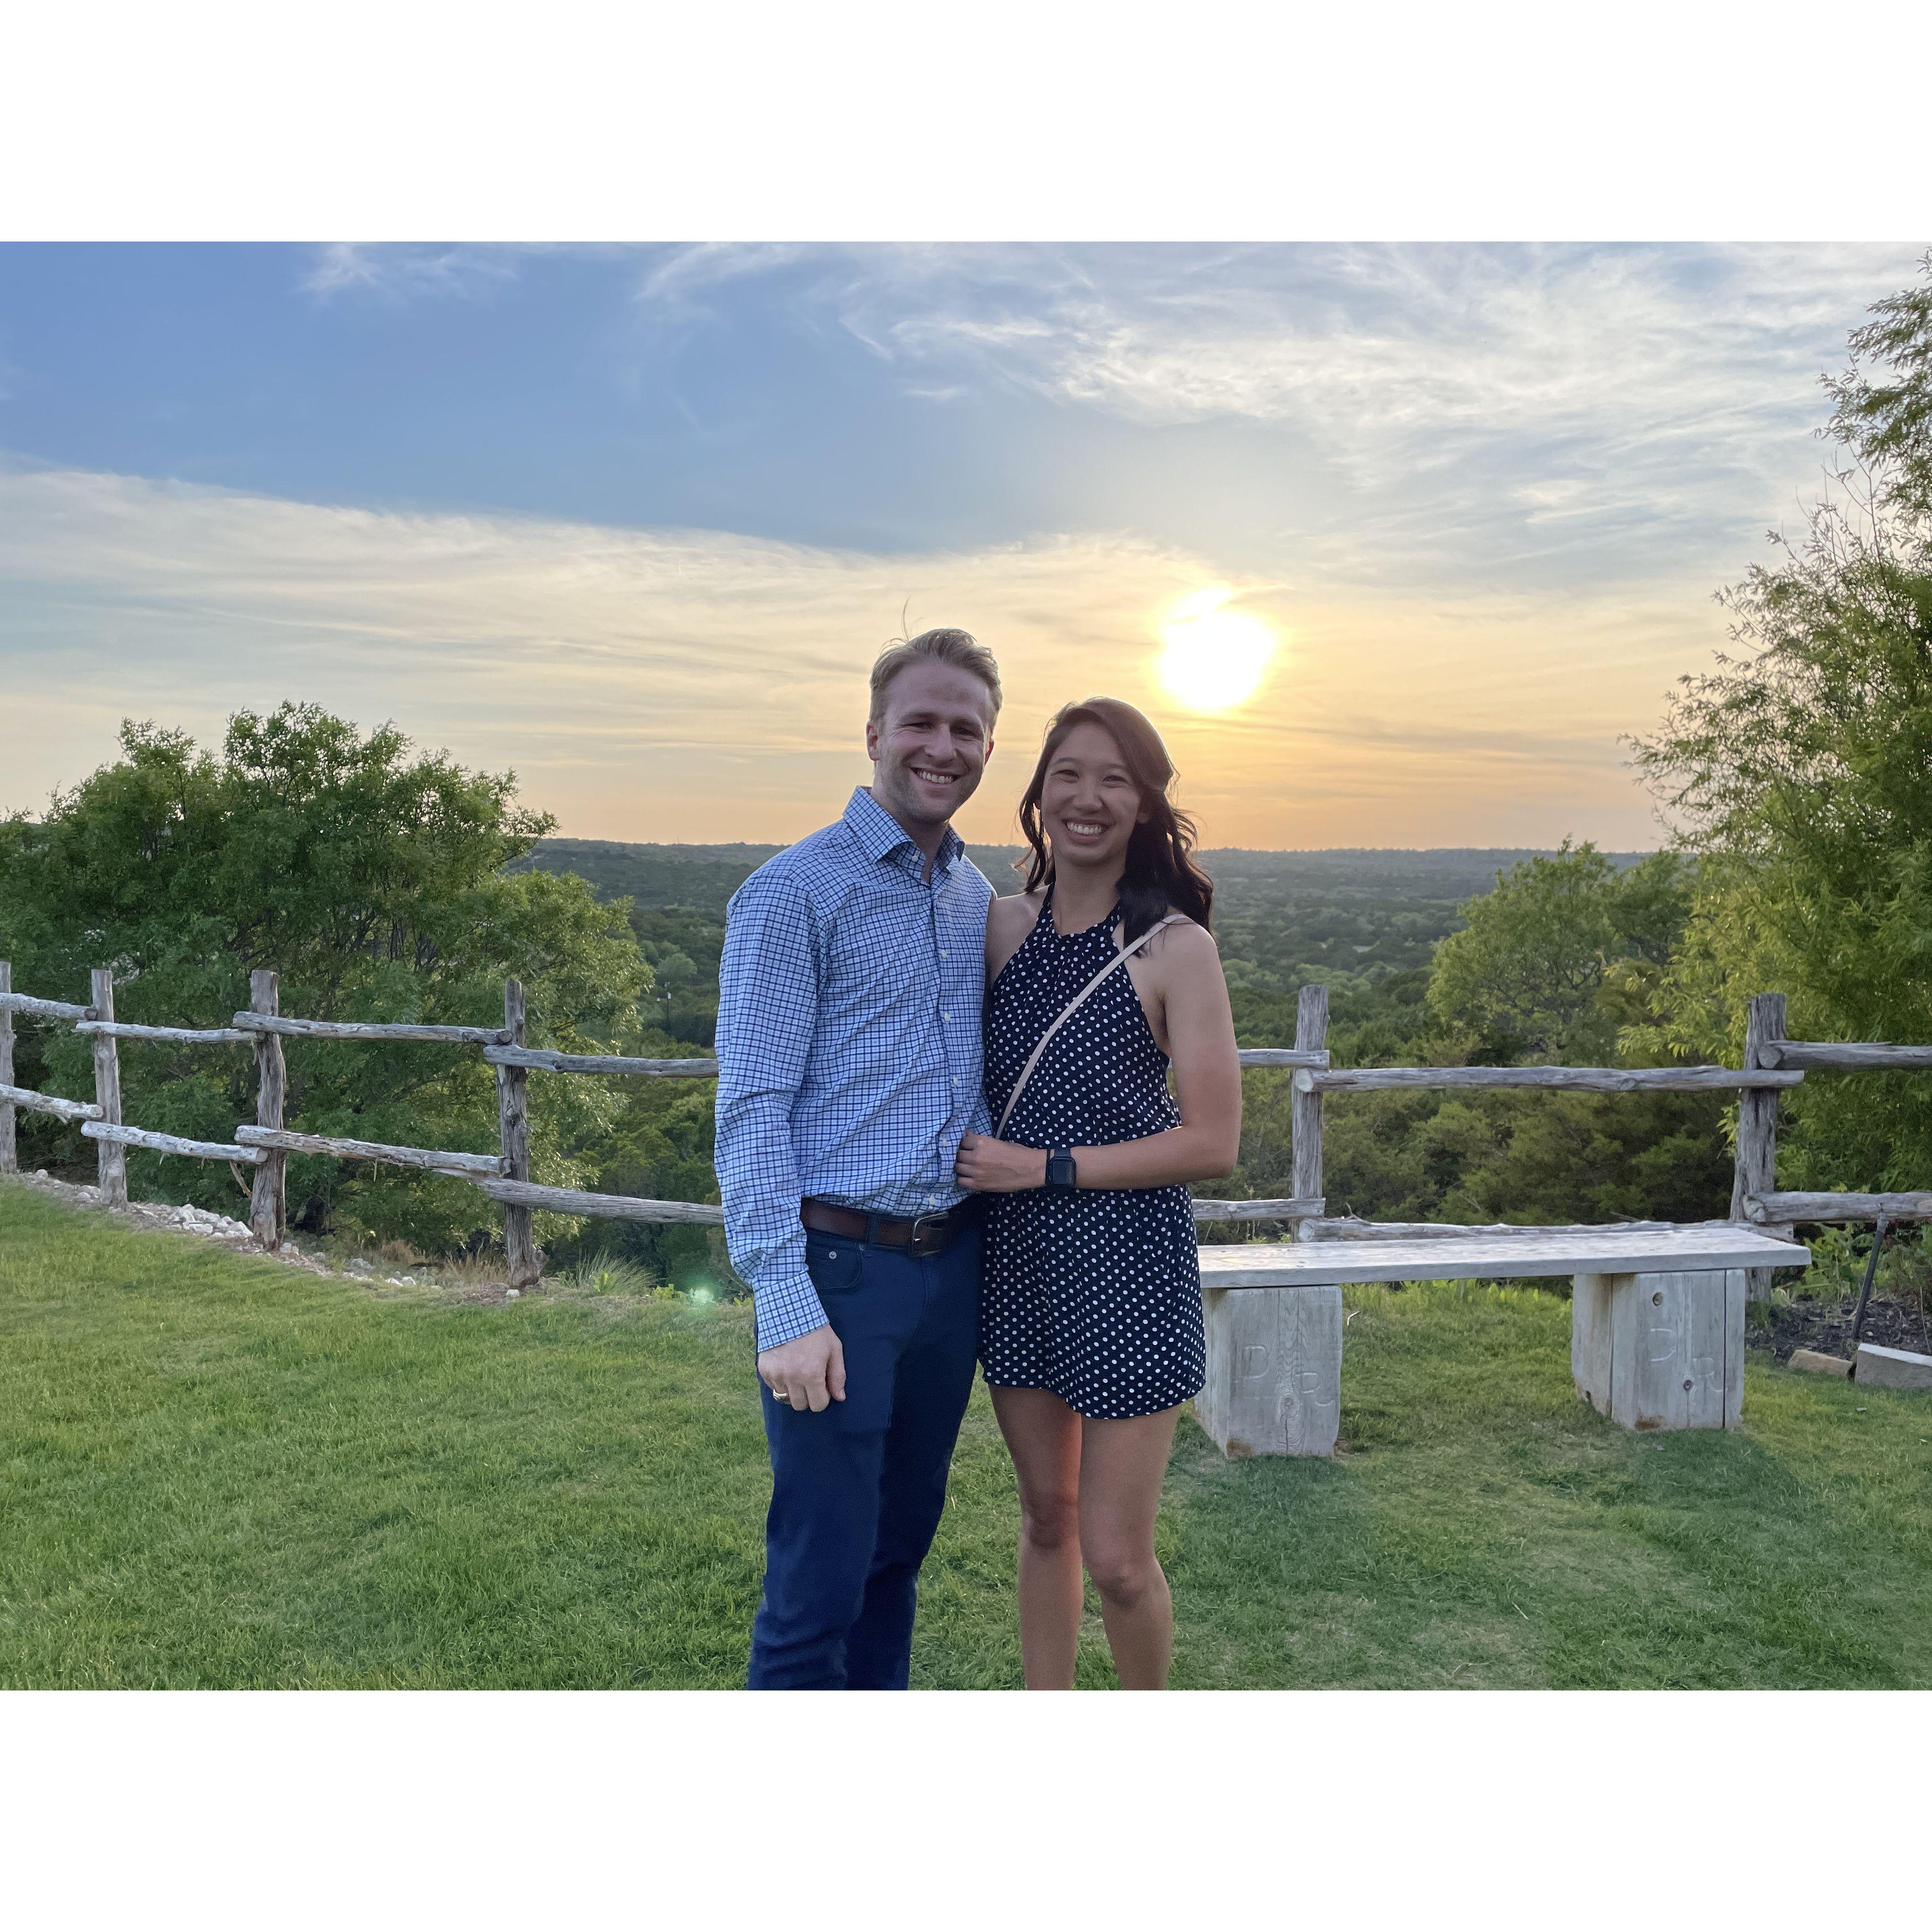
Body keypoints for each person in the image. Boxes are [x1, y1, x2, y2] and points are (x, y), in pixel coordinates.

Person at [715, 626, 1001, 1690]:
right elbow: (752, 1106)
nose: (943, 747)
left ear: (988, 747)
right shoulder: (793, 892)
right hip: (840, 1274)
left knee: (895, 1561)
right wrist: (784, 1301)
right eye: (921, 722)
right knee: (819, 1583)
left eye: (966, 729)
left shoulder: (976, 898)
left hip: (950, 1272)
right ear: (875, 732)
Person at [954, 697, 1241, 1690]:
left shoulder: (1174, 949)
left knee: (1117, 1558)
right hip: (1021, 1266)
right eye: (1068, 774)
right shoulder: (1000, 927)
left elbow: (1213, 1142)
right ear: (1038, 794)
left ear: (1146, 803)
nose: (1088, 797)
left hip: (1129, 1270)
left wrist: (1046, 1166)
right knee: (1047, 1518)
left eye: (1115, 779)